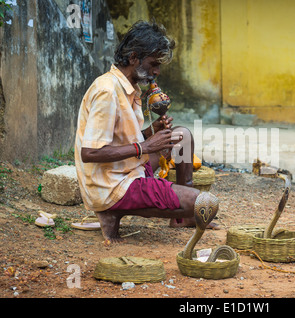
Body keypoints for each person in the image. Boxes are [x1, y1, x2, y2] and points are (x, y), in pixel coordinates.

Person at [74, 20, 219, 244]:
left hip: (127, 167)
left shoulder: (130, 88)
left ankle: (184, 218)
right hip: (113, 183)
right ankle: (110, 211)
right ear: (133, 58)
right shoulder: (107, 91)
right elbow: (90, 153)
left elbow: (120, 139)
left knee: (182, 136)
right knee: (205, 204)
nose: (157, 71)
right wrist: (145, 147)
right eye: (154, 64)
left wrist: (152, 131)